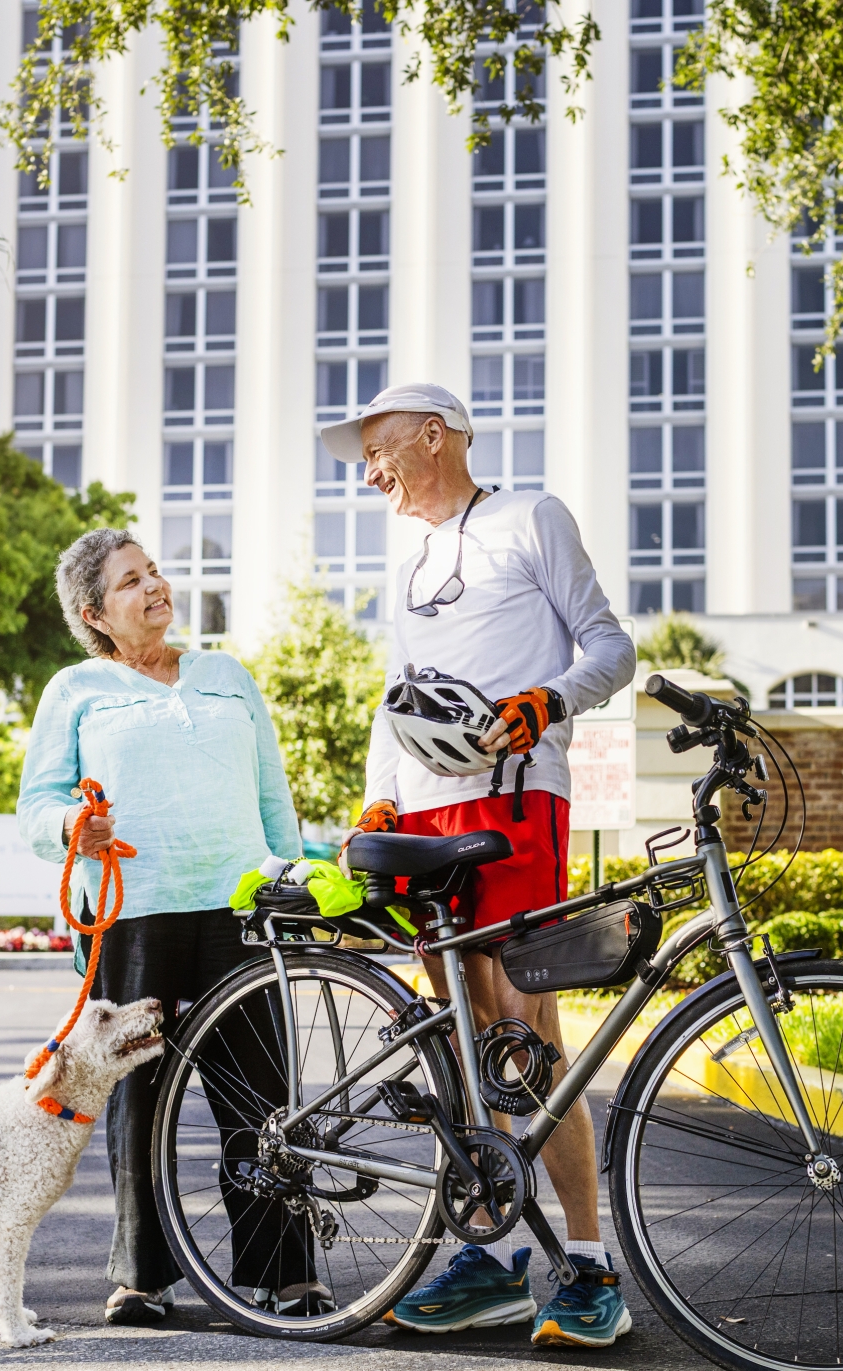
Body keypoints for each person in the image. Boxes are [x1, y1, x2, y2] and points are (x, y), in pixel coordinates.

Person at [322, 383, 637, 1349]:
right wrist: (379, 795)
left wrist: (548, 700)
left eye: (377, 451)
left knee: (522, 1029)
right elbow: (395, 699)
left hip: (514, 798)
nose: (368, 472)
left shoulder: (529, 516)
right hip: (422, 817)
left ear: (434, 435)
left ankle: (588, 1269)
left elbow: (612, 649)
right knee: (459, 1034)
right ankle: (491, 1258)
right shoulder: (406, 553)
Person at [17, 528, 326, 1325]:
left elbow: (272, 797)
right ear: (95, 612)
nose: (154, 585)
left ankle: (283, 1270)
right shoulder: (76, 690)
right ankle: (141, 1276)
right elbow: (37, 805)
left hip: (239, 907)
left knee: (262, 1095)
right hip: (133, 914)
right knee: (139, 1100)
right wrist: (68, 831)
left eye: (153, 571)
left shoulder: (226, 676)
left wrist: (287, 886)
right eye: (131, 581)